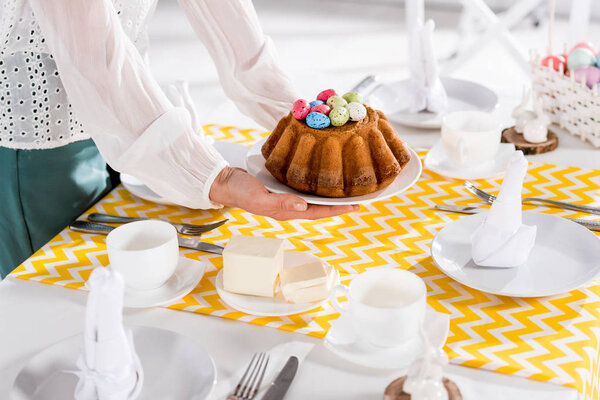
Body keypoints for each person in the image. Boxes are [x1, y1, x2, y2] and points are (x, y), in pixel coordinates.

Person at [0, 0, 358, 278]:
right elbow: (95, 55)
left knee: (123, 279)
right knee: (59, 290)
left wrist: (297, 123)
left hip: (129, 112)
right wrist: (213, 178)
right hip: (39, 136)